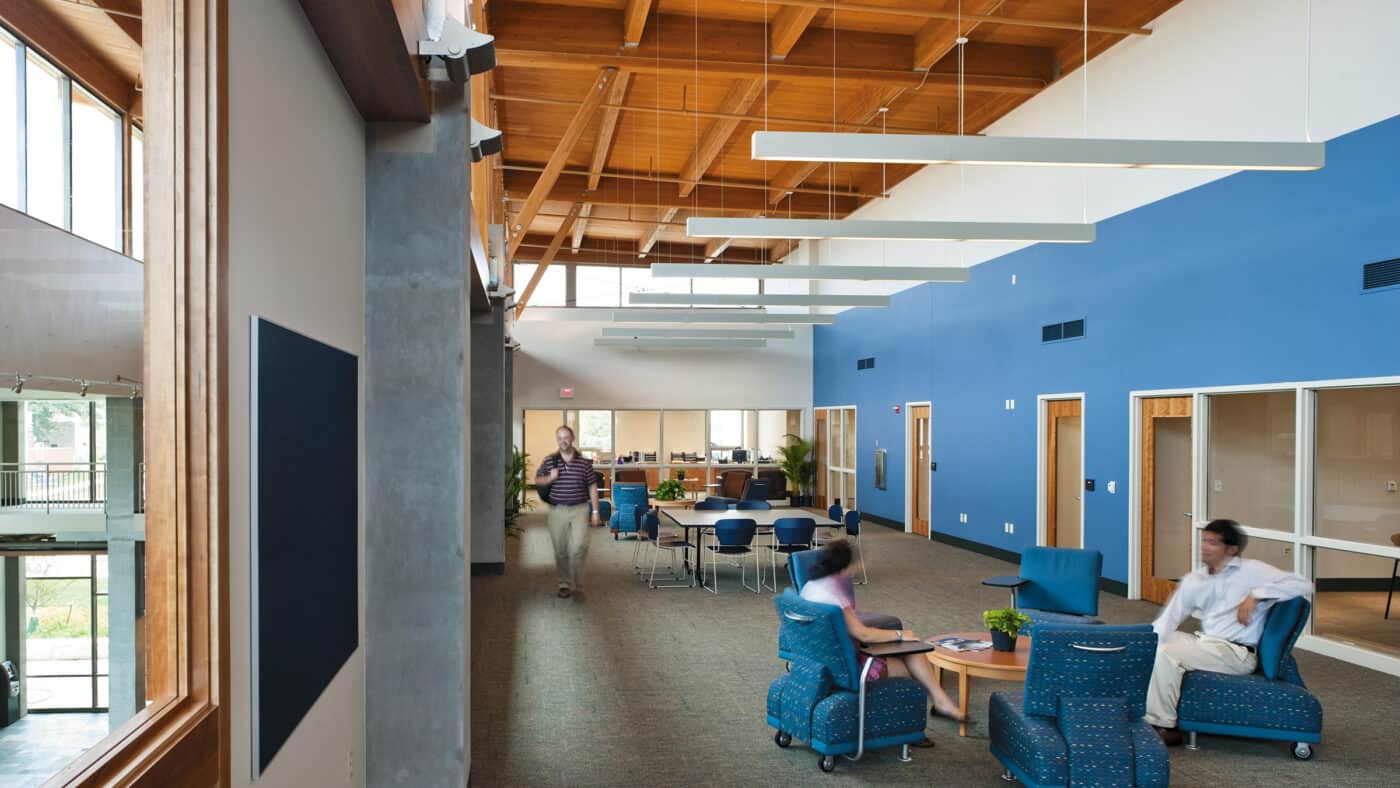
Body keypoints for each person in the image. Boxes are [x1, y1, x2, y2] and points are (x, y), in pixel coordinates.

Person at [1145, 518, 1312, 745]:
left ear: (1231, 549)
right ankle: (1139, 709)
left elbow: (1303, 584)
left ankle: (1164, 725)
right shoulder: (1196, 579)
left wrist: (1257, 594)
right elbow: (1168, 620)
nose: (1204, 546)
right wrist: (1143, 641)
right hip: (1206, 643)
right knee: (1154, 644)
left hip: (1236, 653)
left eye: (1213, 542)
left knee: (1167, 654)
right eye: (1204, 540)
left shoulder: (1252, 571)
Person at [799, 539, 968, 727]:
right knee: (908, 670)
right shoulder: (833, 597)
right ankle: (908, 727)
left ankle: (941, 702)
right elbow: (863, 634)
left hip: (822, 659)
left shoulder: (812, 586)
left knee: (913, 651)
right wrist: (899, 635)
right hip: (844, 668)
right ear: (844, 566)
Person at [535, 426, 601, 599]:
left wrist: (595, 511)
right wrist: (550, 477)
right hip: (558, 510)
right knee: (560, 549)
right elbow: (538, 480)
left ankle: (578, 584)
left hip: (580, 508)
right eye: (559, 438)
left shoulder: (585, 463)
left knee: (580, 546)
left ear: (572, 439)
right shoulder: (550, 460)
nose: (562, 441)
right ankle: (564, 583)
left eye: (566, 437)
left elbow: (592, 487)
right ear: (557, 440)